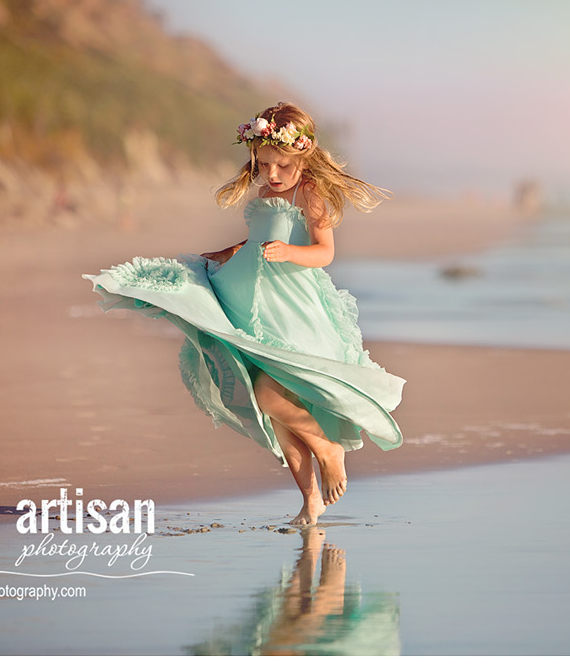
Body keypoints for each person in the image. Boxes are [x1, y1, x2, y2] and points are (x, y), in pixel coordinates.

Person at [86, 104, 403, 529]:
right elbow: (257, 240)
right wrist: (229, 252)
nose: (271, 174)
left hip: (290, 309)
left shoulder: (309, 192)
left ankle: (329, 449)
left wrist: (291, 253)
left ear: (303, 156)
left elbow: (325, 251)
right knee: (274, 416)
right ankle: (310, 501)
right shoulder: (265, 194)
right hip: (253, 305)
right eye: (264, 164)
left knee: (271, 393)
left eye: (281, 165)